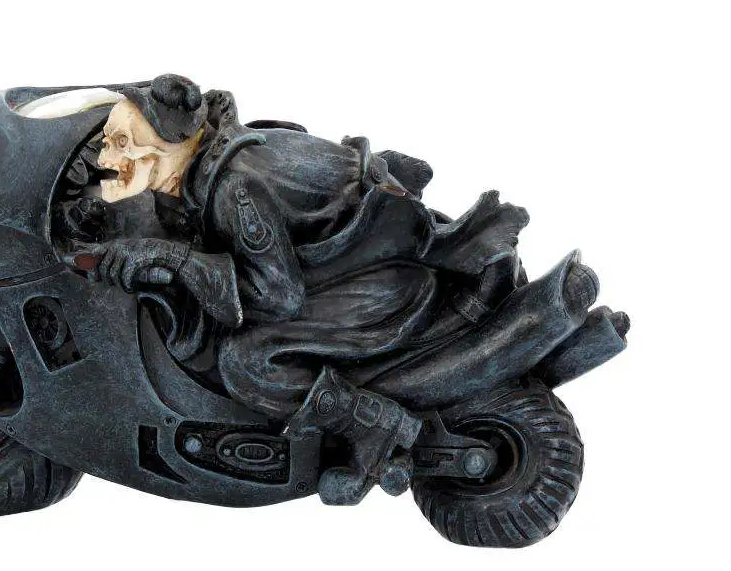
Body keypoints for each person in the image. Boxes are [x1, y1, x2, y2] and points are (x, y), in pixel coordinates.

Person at [66, 74, 584, 504]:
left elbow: (278, 296)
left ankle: (374, 426)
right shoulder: (226, 151)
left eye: (122, 141)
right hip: (348, 261)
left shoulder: (235, 191)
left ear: (168, 144)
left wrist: (174, 259)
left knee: (248, 363)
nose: (109, 152)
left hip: (374, 283)